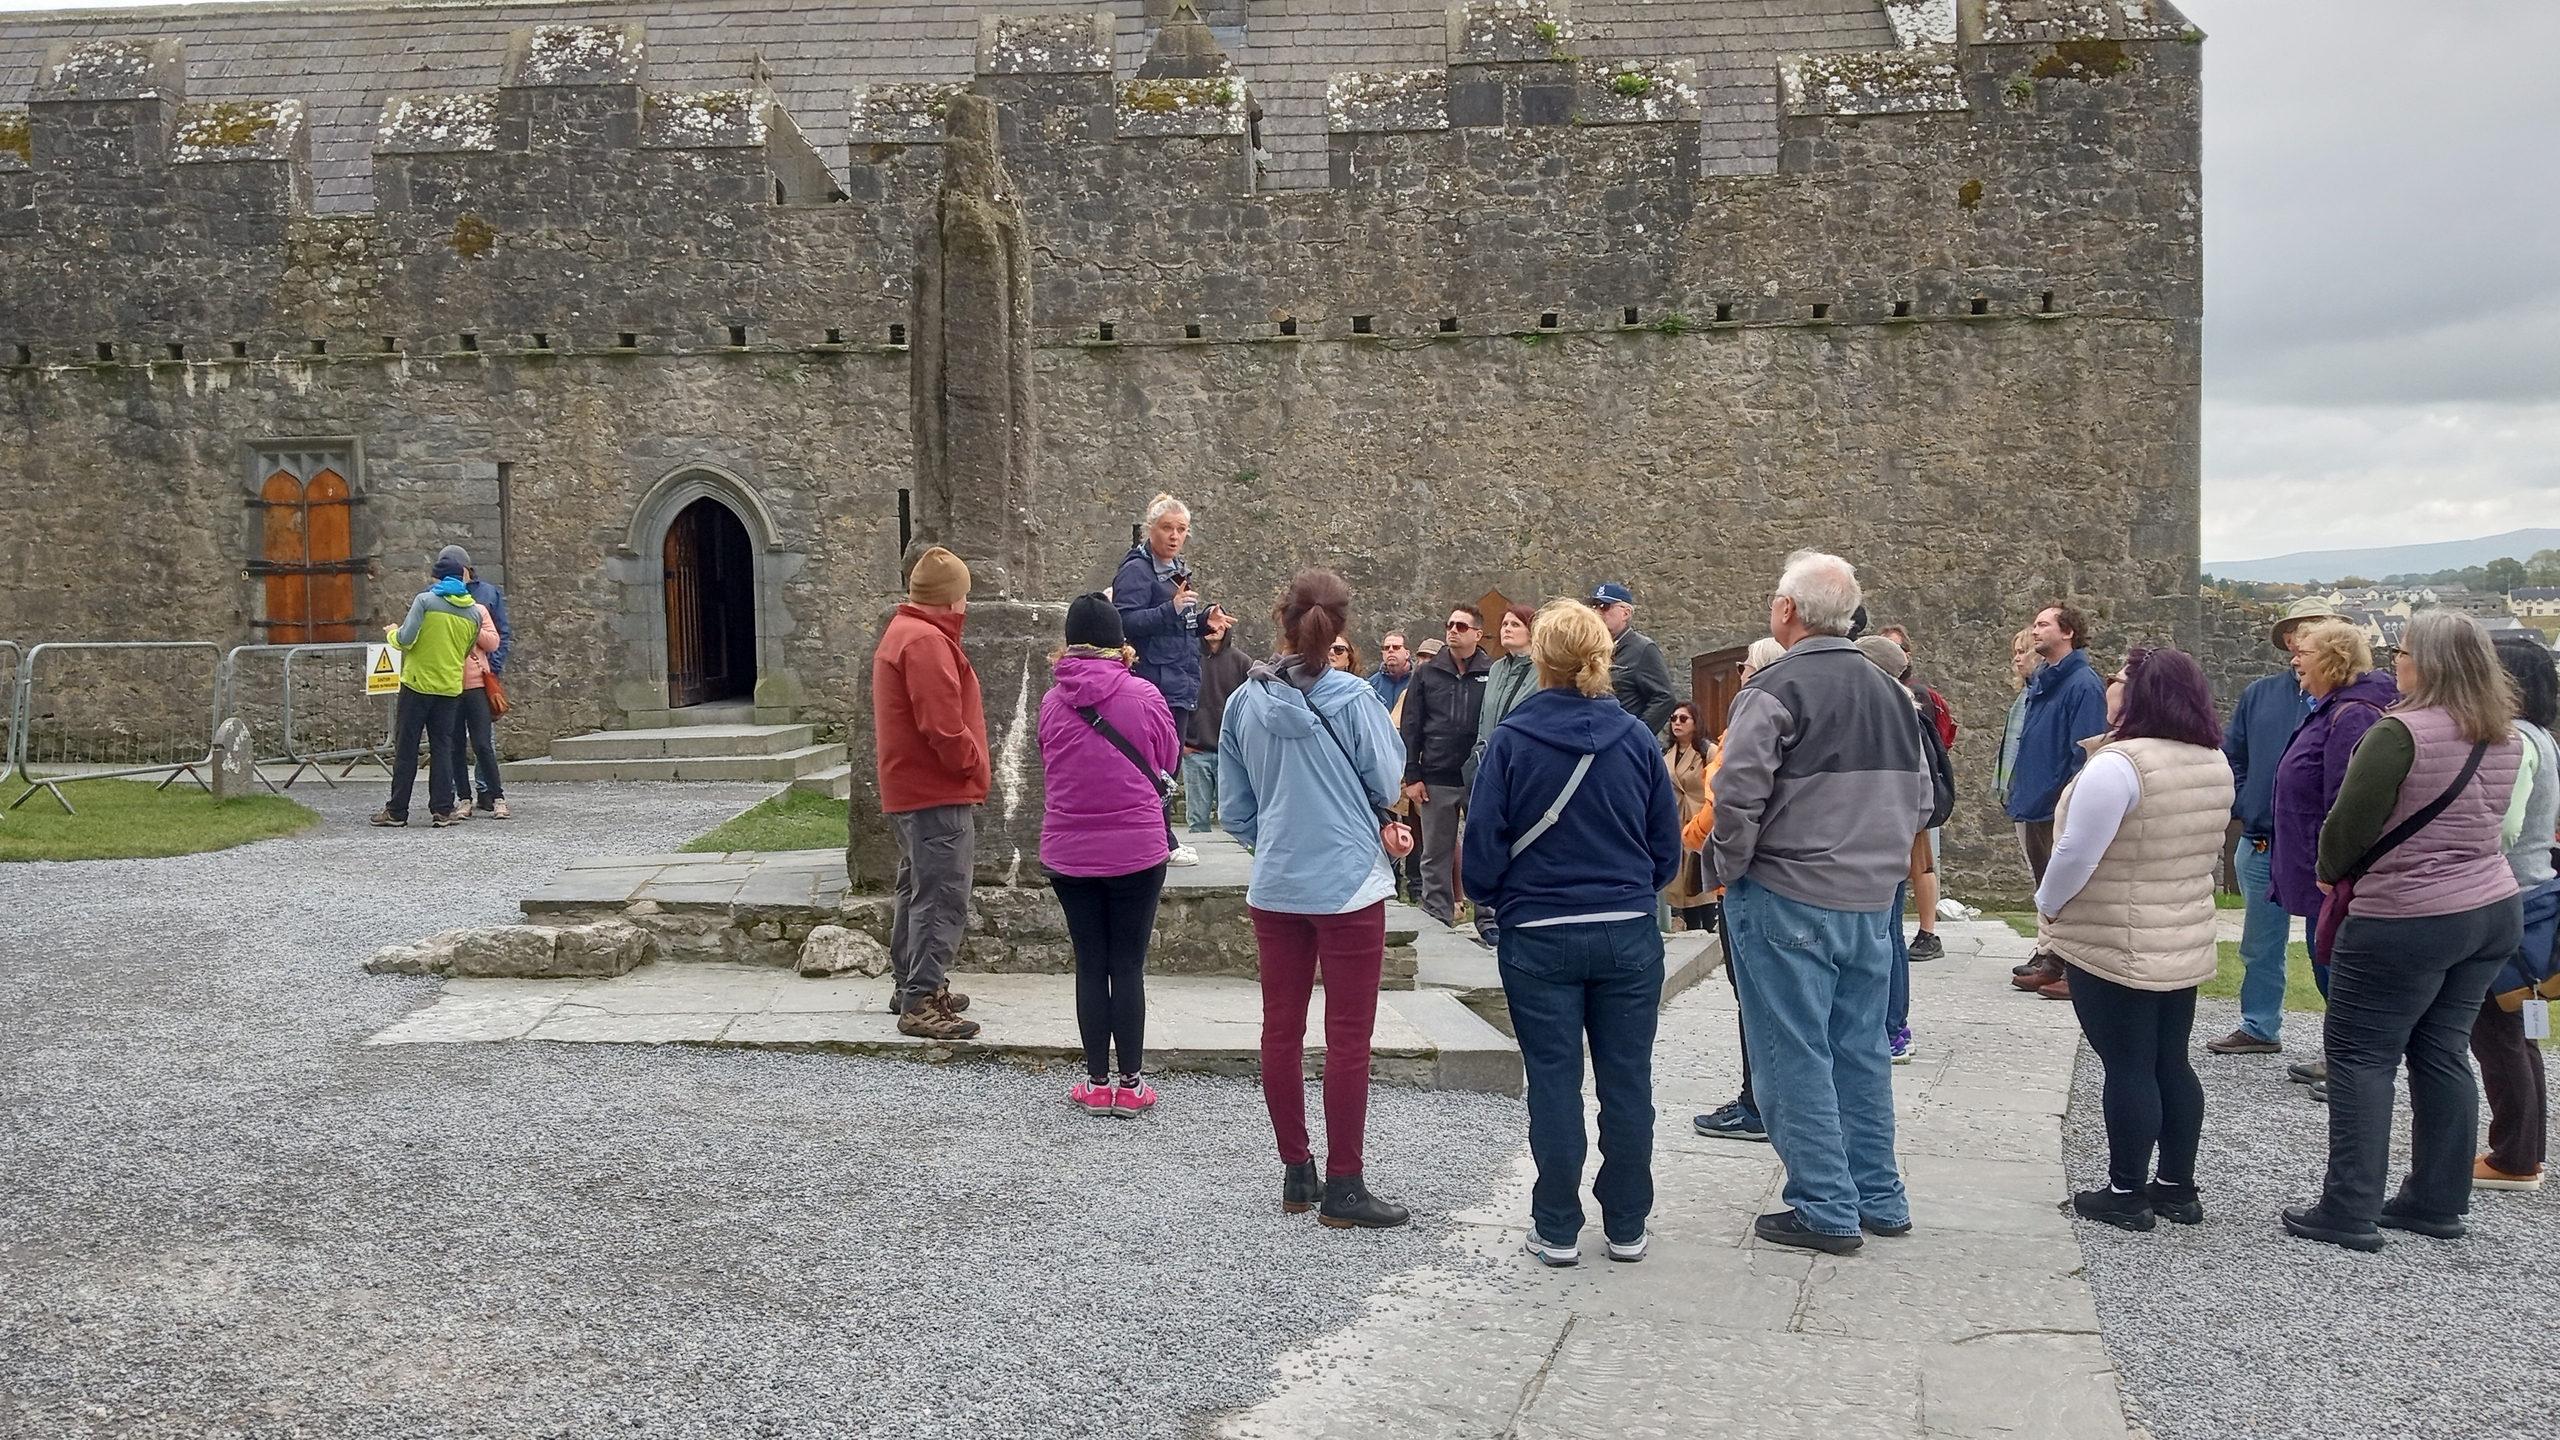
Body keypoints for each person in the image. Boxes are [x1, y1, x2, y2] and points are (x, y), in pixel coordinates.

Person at [1706, 552, 1932, 1254]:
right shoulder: (1894, 693)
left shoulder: (1774, 687)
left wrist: (1727, 868)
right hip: (1871, 898)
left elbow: (1737, 794)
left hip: (1787, 892)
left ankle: (1825, 1205)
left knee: (1790, 1052)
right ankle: (1878, 1195)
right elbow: (1923, 800)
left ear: (1787, 611)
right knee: (1860, 1049)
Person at [2283, 611, 2523, 1252]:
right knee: (2443, 1050)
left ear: (2431, 663)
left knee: (2361, 1055)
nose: (2395, 663)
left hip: (2407, 912)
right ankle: (2437, 1199)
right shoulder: (2505, 736)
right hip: (2490, 904)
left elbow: (2346, 825)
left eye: (2404, 653)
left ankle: (2349, 1206)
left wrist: (2329, 872)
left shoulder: (2400, 733)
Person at [1463, 598, 1683, 1267]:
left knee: (1554, 1080)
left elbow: (1481, 855)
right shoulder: (1637, 739)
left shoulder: (1512, 740)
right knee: (1628, 1081)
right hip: (1625, 928)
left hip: (1540, 929)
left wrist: (1501, 897)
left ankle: (1557, 1224)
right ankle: (1627, 1222)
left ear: (1541, 660)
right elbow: (1666, 850)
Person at [1218, 570, 1414, 1230]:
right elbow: (1388, 778)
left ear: (1283, 618)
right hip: (1348, 880)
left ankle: (1296, 1171)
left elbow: (1234, 809)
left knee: (1281, 1028)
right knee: (1348, 1036)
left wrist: (1275, 839)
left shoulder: (1244, 703)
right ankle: (1345, 1184)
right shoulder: (1356, 699)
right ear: (1340, 627)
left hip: (1277, 882)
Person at [2036, 648, 2234, 1231]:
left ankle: (2125, 1192)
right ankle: (2176, 1186)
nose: (2110, 685)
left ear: (2141, 693)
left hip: (2115, 935)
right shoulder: (2212, 759)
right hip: (2180, 930)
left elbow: (2076, 852)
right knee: (2171, 1059)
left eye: (2120, 678)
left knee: (2127, 1064)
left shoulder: (2120, 765)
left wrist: (2048, 903)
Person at [1039, 594, 1179, 1117]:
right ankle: (1131, 1084)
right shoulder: (1144, 695)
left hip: (1069, 849)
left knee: (1090, 963)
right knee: (1128, 963)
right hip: (1136, 847)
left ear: (1068, 646)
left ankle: (1096, 1083)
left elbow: (1049, 761)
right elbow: (1168, 759)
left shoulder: (1051, 702)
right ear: (1120, 644)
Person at [2268, 617, 2399, 1094]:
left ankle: (2350, 1067)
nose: (2295, 660)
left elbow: (2347, 803)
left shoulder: (2354, 714)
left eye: (2304, 653)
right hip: (2317, 867)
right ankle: (2341, 1059)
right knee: (2329, 965)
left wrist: (2334, 869)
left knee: (2339, 969)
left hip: (2334, 875)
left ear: (2332, 661)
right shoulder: (2333, 709)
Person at [2205, 599, 2333, 1055]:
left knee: (2328, 946)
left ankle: (2342, 1045)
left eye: (2313, 628)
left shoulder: (2347, 701)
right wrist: (2248, 799)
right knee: (2260, 943)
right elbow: (2233, 755)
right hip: (2263, 841)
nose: (2301, 639)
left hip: (2322, 847)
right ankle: (2260, 1025)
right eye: (2296, 630)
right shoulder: (2260, 694)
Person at [872, 546, 988, 1042]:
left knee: (917, 888)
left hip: (911, 788)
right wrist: (973, 762)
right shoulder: (925, 641)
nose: (966, 603)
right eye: (964, 594)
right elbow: (943, 726)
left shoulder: (905, 632)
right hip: (935, 789)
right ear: (951, 597)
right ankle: (921, 1001)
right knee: (942, 894)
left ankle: (911, 983)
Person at [2473, 636, 2559, 1191]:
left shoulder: (2516, 740)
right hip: (2533, 891)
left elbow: (2501, 825)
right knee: (2516, 1030)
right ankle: (2525, 1149)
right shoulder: (2543, 737)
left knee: (2497, 1030)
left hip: (2510, 895)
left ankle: (2514, 1156)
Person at [1692, 637, 1784, 1143]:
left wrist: (1696, 839)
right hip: (1778, 876)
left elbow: (1726, 797)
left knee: (1753, 996)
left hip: (1743, 879)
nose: (1741, 675)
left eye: (1746, 667)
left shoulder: (1748, 723)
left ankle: (1757, 1105)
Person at [2007, 604, 2111, 994]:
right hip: (2036, 799)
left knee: (2071, 889)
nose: (2035, 631)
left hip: (2057, 804)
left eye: (2043, 624)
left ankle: (2074, 969)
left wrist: (2066, 800)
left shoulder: (2082, 684)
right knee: (2048, 887)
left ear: (2067, 632)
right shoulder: (2045, 682)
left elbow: (2085, 751)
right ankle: (2053, 958)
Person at [1114, 493, 1213, 867]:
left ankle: (1160, 838)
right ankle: (1162, 840)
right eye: (1167, 528)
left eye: (1181, 529)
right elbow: (1124, 621)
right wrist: (1169, 609)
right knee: (1156, 765)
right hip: (1154, 682)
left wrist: (1204, 623)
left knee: (1169, 766)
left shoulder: (1176, 567)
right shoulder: (1136, 571)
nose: (1174, 536)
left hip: (1179, 679)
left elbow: (1177, 626)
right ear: (1150, 528)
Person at [1855, 635, 1939, 1058]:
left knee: (1883, 935)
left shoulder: (1886, 717)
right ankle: (1891, 1026)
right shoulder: (1905, 713)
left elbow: (1919, 792)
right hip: (1890, 840)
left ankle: (1890, 1027)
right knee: (1887, 933)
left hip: (1875, 842)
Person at [370, 551, 491, 829]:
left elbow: (405, 639)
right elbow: (465, 650)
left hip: (418, 683)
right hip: (449, 687)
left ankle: (397, 811)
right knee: (443, 748)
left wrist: (391, 632)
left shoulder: (425, 601)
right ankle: (443, 809)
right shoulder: (474, 613)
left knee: (407, 747)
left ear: (437, 578)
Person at [1400, 602, 1492, 942]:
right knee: (1435, 854)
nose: (1453, 630)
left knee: (1484, 849)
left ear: (1478, 634)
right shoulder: (1427, 673)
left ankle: (1488, 918)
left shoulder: (1492, 672)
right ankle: (1437, 917)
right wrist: (1412, 776)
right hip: (1435, 774)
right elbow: (1411, 725)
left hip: (1479, 776)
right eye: (1450, 625)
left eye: (1461, 626)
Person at [1878, 626, 1950, 962]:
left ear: (1907, 655)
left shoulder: (1915, 696)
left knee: (1921, 865)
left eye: (1895, 647)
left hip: (1910, 799)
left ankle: (1928, 931)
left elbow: (1925, 751)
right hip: (1908, 799)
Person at [449, 545, 513, 819]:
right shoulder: (432, 601)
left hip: (477, 681)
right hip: (450, 682)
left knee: (483, 743)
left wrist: (491, 669)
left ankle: (493, 794)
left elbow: (497, 637)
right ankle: (463, 797)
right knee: (454, 744)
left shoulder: (483, 600)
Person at [1182, 607, 1249, 837]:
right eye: (1210, 622)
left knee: (1233, 821)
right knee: (1197, 824)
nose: (1214, 628)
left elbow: (1252, 707)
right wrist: (1181, 744)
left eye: (1219, 623)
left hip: (1230, 754)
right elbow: (1172, 702)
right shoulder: (1186, 660)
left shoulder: (1242, 662)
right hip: (1195, 752)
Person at [1466, 604, 1539, 786]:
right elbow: (1484, 717)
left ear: (1531, 632)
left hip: (1522, 766)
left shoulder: (1543, 671)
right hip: (1489, 763)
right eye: (1504, 624)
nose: (1507, 629)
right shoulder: (1496, 668)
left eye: (1515, 624)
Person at [1589, 582, 1676, 733]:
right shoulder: (1592, 648)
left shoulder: (1642, 649)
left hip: (1621, 738)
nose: (1597, 612)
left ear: (1626, 613)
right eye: (1594, 606)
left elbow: (1665, 698)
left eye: (1604, 606)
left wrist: (1637, 733)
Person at [1659, 702, 1716, 931]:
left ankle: (1710, 928)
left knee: (1702, 879)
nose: (1677, 723)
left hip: (1701, 821)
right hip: (1676, 822)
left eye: (1683, 719)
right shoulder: (1666, 753)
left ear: (1695, 722)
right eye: (1673, 718)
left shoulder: (1707, 751)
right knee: (1682, 883)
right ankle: (1691, 926)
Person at [1993, 627, 2037, 813]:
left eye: (2022, 652)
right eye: (2016, 653)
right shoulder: (2026, 692)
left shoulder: (2037, 693)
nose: (2017, 658)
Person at [1367, 631, 1414, 711]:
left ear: (1407, 654)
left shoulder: (1418, 680)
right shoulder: (1371, 685)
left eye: (1396, 647)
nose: (1390, 650)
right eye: (1386, 648)